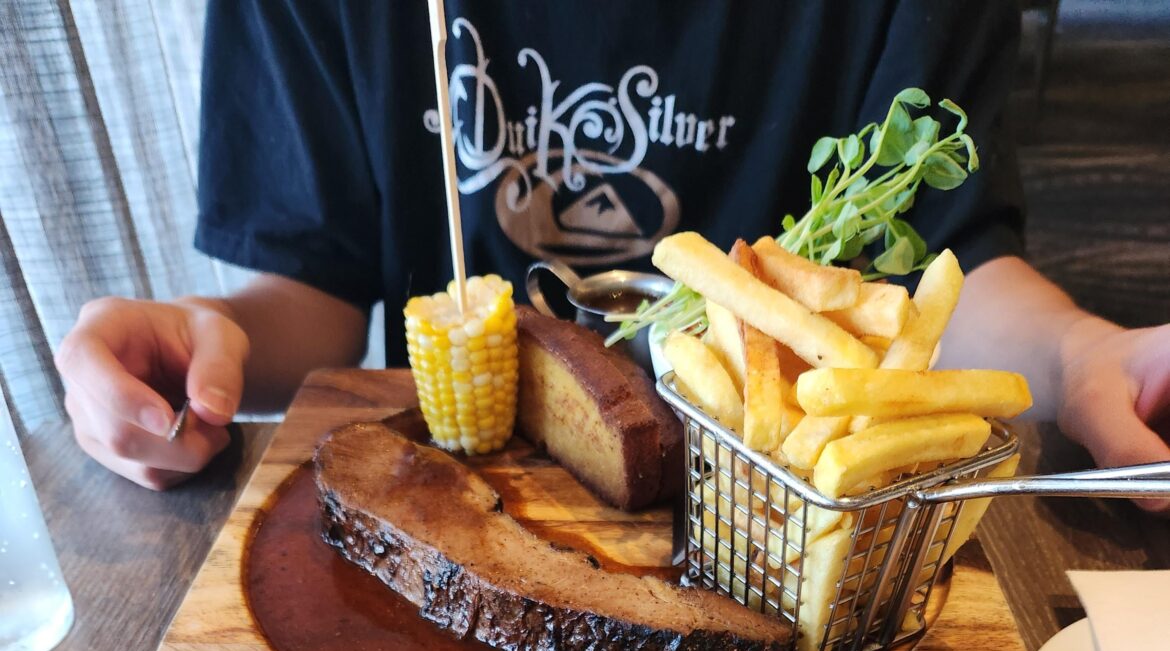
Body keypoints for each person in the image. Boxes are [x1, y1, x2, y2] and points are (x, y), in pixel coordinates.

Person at [55, 0, 1169, 509]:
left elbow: (943, 265)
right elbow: (309, 286)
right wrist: (216, 350)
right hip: (458, 480)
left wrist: (1075, 357)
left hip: (773, 507)